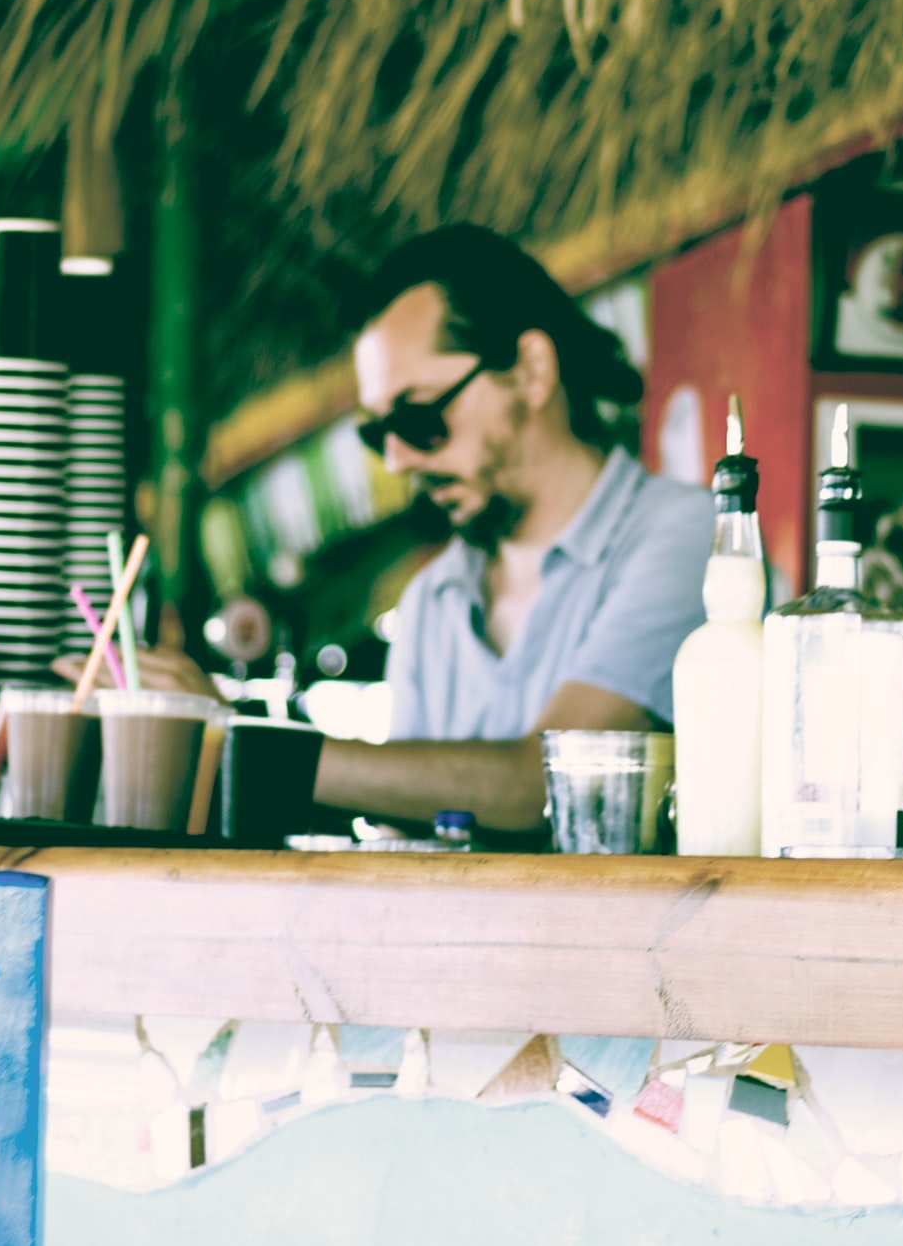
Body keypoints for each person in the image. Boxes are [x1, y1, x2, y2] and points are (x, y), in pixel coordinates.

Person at [64, 223, 710, 828]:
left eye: (419, 415)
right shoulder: (433, 597)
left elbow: (539, 786)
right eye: (379, 434)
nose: (399, 458)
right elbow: (417, 821)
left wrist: (242, 739)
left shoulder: (684, 537)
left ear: (532, 371)